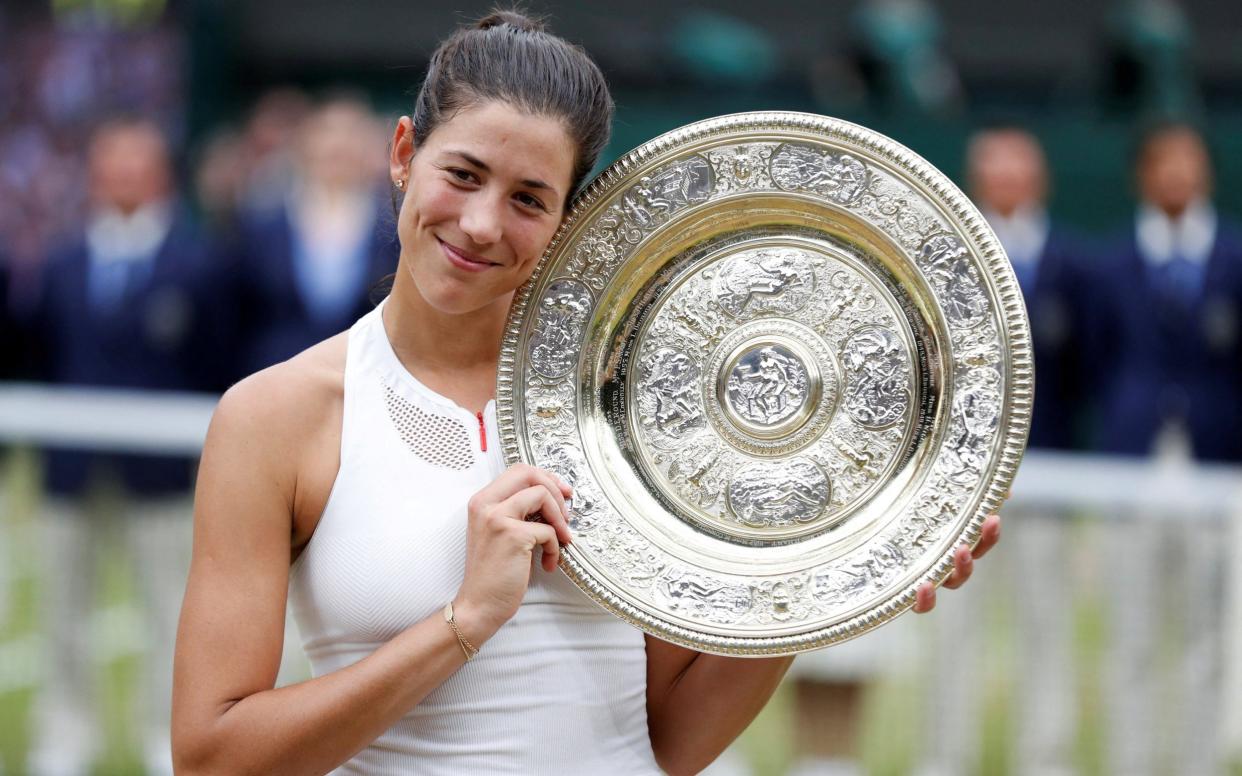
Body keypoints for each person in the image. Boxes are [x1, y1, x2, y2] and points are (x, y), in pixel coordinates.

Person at [172, 12, 1001, 775]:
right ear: (401, 155)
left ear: (570, 216)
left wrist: (825, 576)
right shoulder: (276, 417)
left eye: (529, 198)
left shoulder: (635, 412)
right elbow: (212, 759)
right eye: (462, 174)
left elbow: (669, 743)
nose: (483, 224)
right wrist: (464, 620)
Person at [27, 116, 224, 776]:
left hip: (164, 472)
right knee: (62, 610)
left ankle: (164, 740)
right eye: (110, 162)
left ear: (161, 171)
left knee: (173, 613)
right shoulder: (59, 261)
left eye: (136, 162)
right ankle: (64, 737)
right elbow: (41, 357)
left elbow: (212, 365)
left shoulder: (199, 262)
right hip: (71, 469)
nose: (122, 176)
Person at [917, 126, 1093, 776]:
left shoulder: (1074, 267)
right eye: (995, 171)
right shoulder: (943, 263)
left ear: (1039, 179)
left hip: (1047, 471)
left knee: (1046, 620)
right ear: (977, 179)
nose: (1008, 183)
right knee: (951, 625)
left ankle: (1046, 757)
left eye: (1018, 171)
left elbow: (1087, 370)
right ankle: (943, 754)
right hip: (954, 483)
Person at [1090, 120, 1242, 776]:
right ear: (1142, 175)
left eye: (1189, 161)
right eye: (1164, 163)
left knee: (1210, 636)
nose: (1177, 175)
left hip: (1216, 465)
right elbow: (1094, 360)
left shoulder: (1235, 259)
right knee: (1133, 631)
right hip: (1134, 466)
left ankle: (1200, 763)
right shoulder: (1111, 263)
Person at [227, 93, 397, 381]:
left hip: (364, 381)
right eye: (328, 132)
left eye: (351, 134)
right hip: (273, 381)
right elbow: (233, 317)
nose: (338, 146)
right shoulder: (261, 224)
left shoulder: (394, 227)